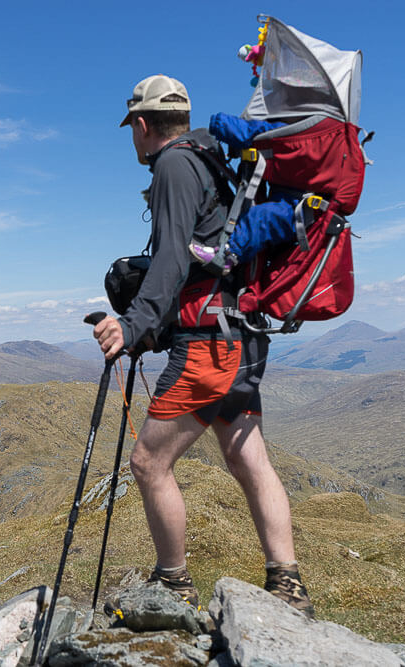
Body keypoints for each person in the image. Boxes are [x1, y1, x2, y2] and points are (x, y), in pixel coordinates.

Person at [93, 74, 314, 618]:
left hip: (208, 344)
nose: (134, 138)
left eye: (133, 129)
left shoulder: (172, 164)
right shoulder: (214, 156)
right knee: (247, 456)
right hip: (243, 334)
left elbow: (171, 258)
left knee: (148, 462)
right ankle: (287, 585)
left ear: (142, 126)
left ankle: (173, 585)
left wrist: (133, 324)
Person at [188, 113, 299, 274]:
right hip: (302, 203)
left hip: (296, 206)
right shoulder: (321, 132)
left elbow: (252, 131)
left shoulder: (296, 130)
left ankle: (226, 255)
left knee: (260, 218)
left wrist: (218, 123)